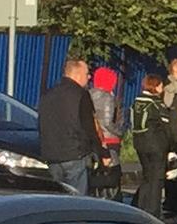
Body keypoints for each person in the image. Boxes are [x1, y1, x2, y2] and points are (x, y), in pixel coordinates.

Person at [37, 53, 97, 195]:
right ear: (77, 74)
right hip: (75, 155)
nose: (89, 77)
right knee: (77, 198)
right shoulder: (81, 94)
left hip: (51, 155)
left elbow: (41, 123)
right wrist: (96, 151)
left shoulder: (48, 94)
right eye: (87, 74)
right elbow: (88, 127)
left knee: (57, 197)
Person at [129, 68, 177, 217]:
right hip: (156, 144)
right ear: (156, 86)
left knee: (147, 176)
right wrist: (172, 146)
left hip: (139, 143)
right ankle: (153, 211)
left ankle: (140, 208)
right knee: (157, 179)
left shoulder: (137, 101)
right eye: (161, 86)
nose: (162, 89)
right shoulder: (156, 103)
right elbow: (167, 126)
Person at [87, 64, 125, 198]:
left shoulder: (88, 94)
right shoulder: (108, 97)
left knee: (97, 170)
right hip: (109, 139)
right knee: (113, 172)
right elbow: (108, 122)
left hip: (93, 138)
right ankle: (112, 198)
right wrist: (120, 132)